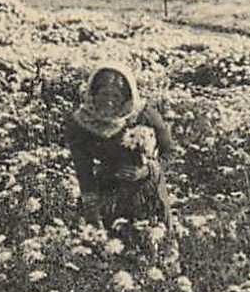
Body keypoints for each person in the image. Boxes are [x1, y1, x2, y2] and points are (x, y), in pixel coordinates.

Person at [66, 65, 176, 235]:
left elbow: (169, 152)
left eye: (116, 95)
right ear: (93, 94)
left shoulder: (143, 114)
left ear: (126, 97)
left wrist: (147, 170)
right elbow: (83, 170)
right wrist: (92, 212)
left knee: (152, 241)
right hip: (109, 190)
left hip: (147, 190)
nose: (109, 101)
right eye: (104, 94)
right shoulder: (83, 122)